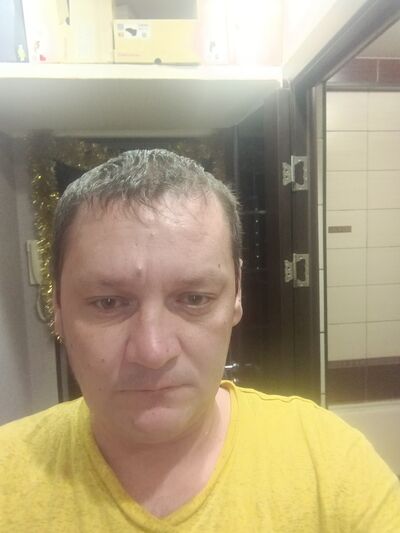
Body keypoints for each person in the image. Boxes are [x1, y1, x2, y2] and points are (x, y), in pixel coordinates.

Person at [0, 149, 399, 532]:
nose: (153, 352)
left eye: (194, 299)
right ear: (57, 305)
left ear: (237, 293)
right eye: (108, 303)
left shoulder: (328, 462)